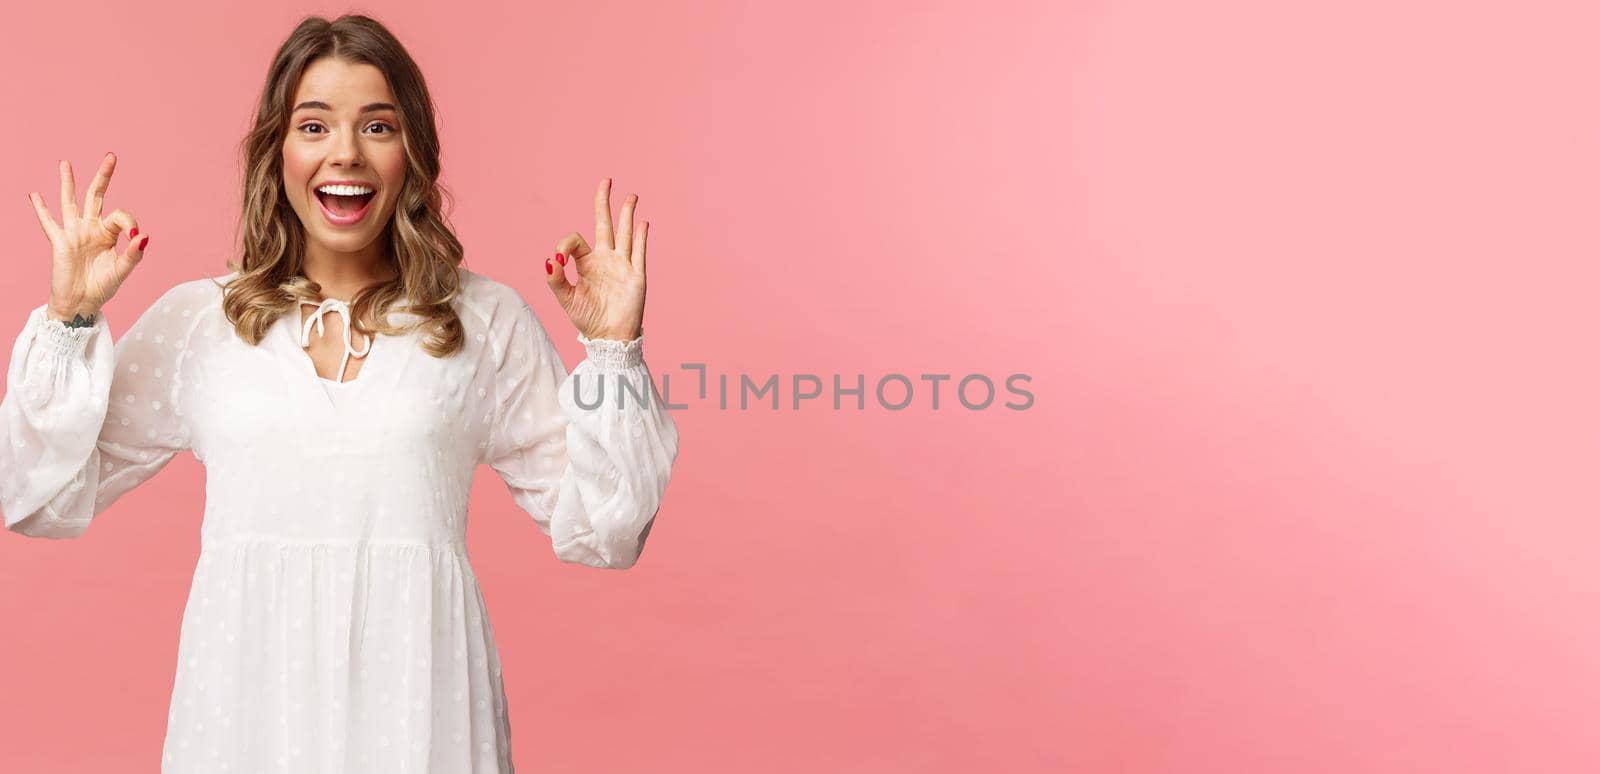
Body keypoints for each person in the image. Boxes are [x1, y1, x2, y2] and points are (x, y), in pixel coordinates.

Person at [0, 13, 679, 773]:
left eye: (378, 126)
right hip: (244, 713)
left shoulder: (484, 321)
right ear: (277, 150)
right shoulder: (202, 323)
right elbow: (36, 497)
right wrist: (70, 318)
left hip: (423, 713)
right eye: (314, 125)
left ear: (412, 151)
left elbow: (607, 531)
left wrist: (614, 347)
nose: (345, 153)